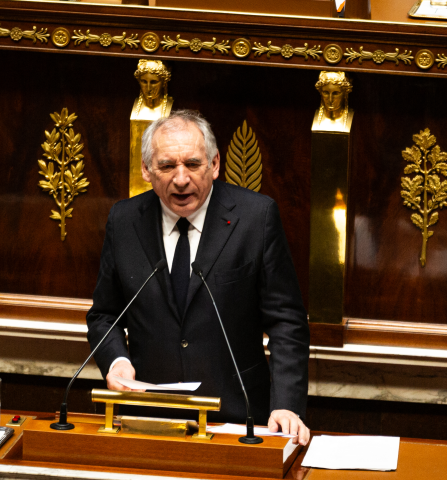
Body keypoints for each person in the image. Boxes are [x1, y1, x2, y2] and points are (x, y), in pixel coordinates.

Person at [86, 110, 311, 445]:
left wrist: (286, 406)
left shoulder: (256, 218)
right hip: (150, 417)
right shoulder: (125, 220)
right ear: (147, 170)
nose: (181, 179)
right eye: (167, 166)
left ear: (215, 164)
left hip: (237, 417)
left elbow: (286, 323)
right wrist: (117, 361)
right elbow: (105, 314)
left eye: (192, 164)